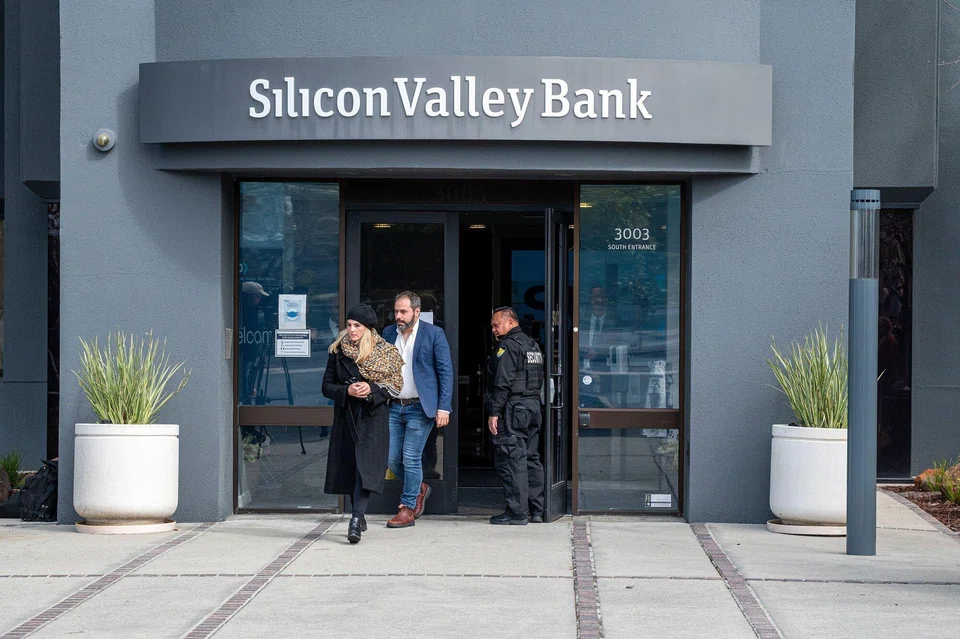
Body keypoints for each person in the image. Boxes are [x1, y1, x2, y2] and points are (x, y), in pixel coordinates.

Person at [321, 303, 404, 544]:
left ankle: (356, 518)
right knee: (349, 467)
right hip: (347, 417)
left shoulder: (386, 352)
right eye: (348, 325)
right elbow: (326, 386)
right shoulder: (337, 352)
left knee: (365, 469)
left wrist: (371, 390)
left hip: (373, 417)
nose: (351, 330)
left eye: (357, 326)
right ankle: (359, 511)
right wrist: (347, 390)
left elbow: (394, 386)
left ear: (368, 329)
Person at [381, 291, 454, 528]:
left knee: (411, 457)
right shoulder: (388, 333)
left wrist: (444, 407)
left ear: (416, 312)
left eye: (403, 311)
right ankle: (420, 486)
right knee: (392, 460)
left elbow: (445, 372)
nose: (398, 316)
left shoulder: (434, 334)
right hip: (393, 406)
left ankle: (407, 507)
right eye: (396, 311)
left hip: (420, 408)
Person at [484, 306, 545, 525]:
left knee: (512, 459)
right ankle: (538, 510)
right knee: (531, 457)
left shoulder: (508, 346)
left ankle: (517, 513)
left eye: (496, 324)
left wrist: (494, 413)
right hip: (533, 406)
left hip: (514, 408)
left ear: (511, 322)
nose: (493, 329)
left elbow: (503, 383)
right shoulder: (533, 345)